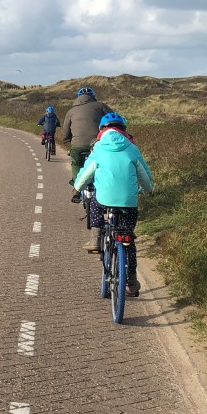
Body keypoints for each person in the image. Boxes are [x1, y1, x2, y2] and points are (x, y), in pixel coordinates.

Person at [73, 112, 153, 296]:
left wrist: (77, 187)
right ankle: (131, 279)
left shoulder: (99, 148)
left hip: (104, 199)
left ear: (101, 130)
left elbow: (86, 173)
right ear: (124, 130)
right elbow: (144, 175)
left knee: (94, 201)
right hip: (129, 203)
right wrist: (149, 190)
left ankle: (95, 237)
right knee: (128, 240)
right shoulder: (132, 148)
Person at [61, 86, 112, 189]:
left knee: (76, 163)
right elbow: (113, 119)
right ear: (93, 97)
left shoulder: (71, 111)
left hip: (78, 145)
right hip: (98, 143)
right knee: (103, 163)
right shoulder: (101, 106)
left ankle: (77, 188)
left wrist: (66, 138)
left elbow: (66, 129)